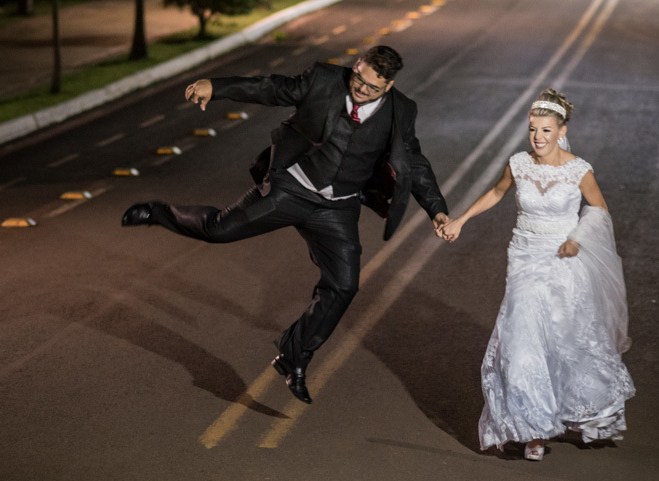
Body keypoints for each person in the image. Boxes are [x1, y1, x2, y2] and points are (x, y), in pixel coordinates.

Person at [121, 45, 449, 404]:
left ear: (388, 86)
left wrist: (436, 209)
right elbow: (271, 88)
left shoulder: (402, 111)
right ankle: (156, 212)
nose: (360, 88)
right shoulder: (324, 79)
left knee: (343, 286)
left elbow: (414, 163)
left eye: (371, 87)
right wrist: (217, 86)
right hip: (292, 188)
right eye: (358, 78)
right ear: (356, 66)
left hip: (337, 209)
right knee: (220, 229)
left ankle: (294, 357)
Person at [439, 90, 635, 461]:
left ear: (562, 131)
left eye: (546, 130)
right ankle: (534, 430)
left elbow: (599, 210)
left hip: (564, 260)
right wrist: (461, 220)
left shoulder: (580, 169)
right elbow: (497, 193)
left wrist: (577, 239)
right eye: (532, 130)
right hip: (524, 258)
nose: (538, 137)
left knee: (567, 340)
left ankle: (586, 412)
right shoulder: (518, 164)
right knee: (523, 341)